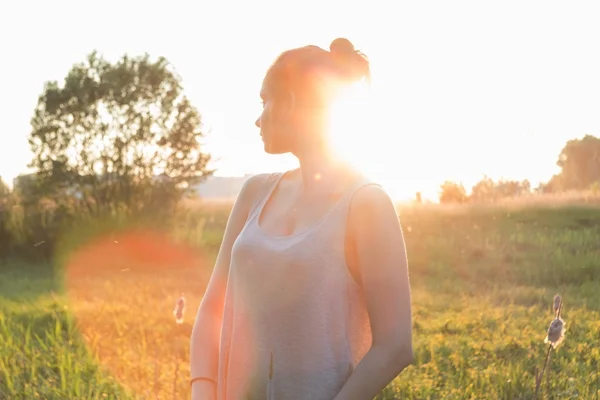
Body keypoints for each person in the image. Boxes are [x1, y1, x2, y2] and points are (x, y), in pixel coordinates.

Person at [190, 37, 413, 400]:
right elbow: (212, 311)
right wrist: (203, 391)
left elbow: (396, 345)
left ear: (293, 103)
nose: (257, 118)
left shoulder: (367, 204)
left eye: (265, 101)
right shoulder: (254, 193)